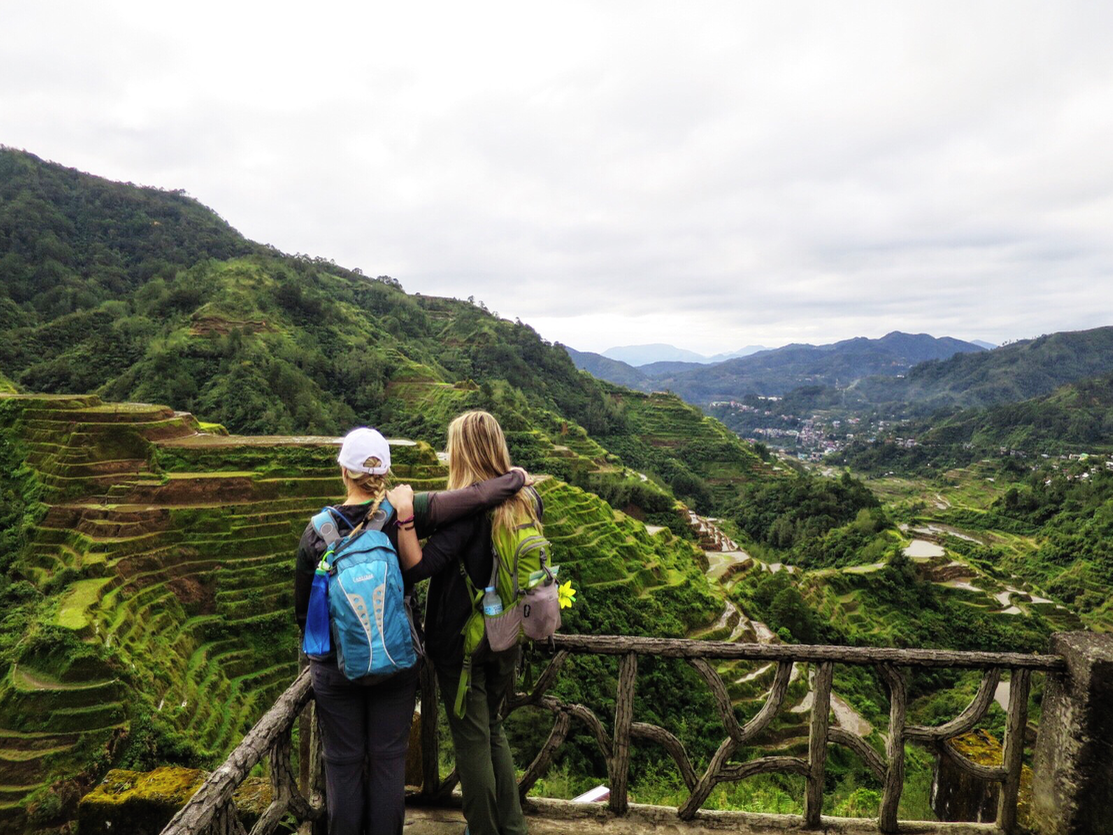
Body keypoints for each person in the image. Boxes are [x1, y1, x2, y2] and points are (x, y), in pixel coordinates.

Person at [294, 426, 527, 835]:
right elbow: (474, 498)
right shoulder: (405, 511)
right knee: (388, 763)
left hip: (334, 668)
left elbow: (304, 614)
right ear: (384, 472)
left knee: (343, 763)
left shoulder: (315, 532)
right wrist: (516, 478)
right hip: (397, 661)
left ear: (343, 472)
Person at [391, 411, 537, 835]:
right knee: (492, 730)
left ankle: (485, 829)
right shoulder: (526, 502)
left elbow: (419, 567)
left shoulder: (468, 514)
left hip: (462, 646)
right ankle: (513, 828)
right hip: (506, 636)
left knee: (472, 743)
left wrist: (404, 516)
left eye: (453, 446)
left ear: (465, 453)